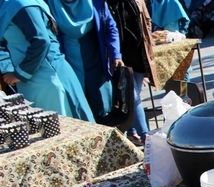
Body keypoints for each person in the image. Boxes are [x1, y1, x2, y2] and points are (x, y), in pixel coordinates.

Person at [0, 0, 95, 121]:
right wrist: (8, 69)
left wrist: (19, 73)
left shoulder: (21, 4)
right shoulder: (6, 5)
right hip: (31, 79)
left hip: (48, 79)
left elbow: (41, 42)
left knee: (62, 130)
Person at [47, 0, 124, 120]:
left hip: (96, 62)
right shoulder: (49, 4)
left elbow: (110, 28)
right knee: (78, 109)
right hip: (68, 64)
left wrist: (116, 55)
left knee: (103, 109)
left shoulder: (96, 2)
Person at [107, 0, 159, 144]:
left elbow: (146, 22)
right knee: (133, 97)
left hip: (138, 55)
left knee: (134, 98)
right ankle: (146, 136)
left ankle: (132, 131)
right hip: (120, 57)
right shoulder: (109, 3)